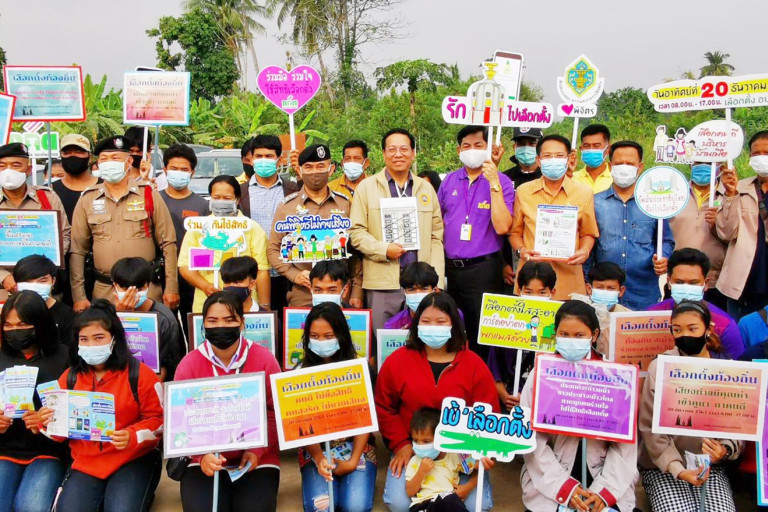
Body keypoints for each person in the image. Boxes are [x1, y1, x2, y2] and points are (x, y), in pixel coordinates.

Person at [375, 292, 496, 512]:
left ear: (454, 325)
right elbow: (384, 407)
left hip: (461, 453)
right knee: (400, 503)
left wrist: (484, 450)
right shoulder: (397, 361)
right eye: (426, 321)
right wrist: (401, 444)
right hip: (415, 448)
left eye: (441, 322)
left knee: (476, 506)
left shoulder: (474, 365)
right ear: (416, 324)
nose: (433, 327)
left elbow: (489, 414)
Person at [39, 300, 164, 512]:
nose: (91, 345)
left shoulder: (140, 375)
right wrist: (45, 422)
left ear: (114, 339)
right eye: (84, 339)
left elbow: (160, 421)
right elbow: (59, 434)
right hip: (86, 463)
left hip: (132, 460)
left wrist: (132, 436)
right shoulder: (69, 378)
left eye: (99, 338)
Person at [521, 300, 638, 512]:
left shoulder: (615, 377)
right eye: (564, 334)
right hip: (551, 476)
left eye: (579, 335)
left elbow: (625, 448)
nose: (571, 341)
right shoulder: (540, 375)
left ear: (594, 335)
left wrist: (603, 492)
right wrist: (565, 488)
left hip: (603, 474)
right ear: (555, 333)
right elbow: (531, 441)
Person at [174, 291, 281, 512]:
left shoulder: (264, 359)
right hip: (204, 459)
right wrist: (200, 455)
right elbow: (179, 420)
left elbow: (275, 412)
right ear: (203, 325)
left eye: (229, 320)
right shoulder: (188, 364)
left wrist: (257, 450)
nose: (221, 326)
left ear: (242, 323)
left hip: (256, 457)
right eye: (213, 321)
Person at [639, 300, 740, 512]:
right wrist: (677, 469)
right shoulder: (661, 367)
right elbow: (650, 428)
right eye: (677, 330)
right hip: (664, 468)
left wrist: (724, 449)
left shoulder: (727, 369)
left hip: (710, 467)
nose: (685, 335)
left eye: (692, 329)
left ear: (708, 329)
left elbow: (738, 422)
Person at [69, 135, 179, 313]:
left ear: (129, 162)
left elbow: (168, 243)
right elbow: (77, 250)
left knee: (148, 330)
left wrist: (172, 288)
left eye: (115, 158)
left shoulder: (148, 194)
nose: (109, 163)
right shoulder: (88, 199)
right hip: (105, 290)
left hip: (145, 289)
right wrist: (79, 296)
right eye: (104, 159)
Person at [350, 128, 445, 334]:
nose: (398, 154)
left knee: (422, 340)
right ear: (383, 153)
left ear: (413, 153)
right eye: (392, 149)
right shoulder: (366, 188)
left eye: (404, 149)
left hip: (422, 284)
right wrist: (383, 249)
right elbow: (356, 232)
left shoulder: (426, 189)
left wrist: (437, 279)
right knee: (384, 341)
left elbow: (436, 237)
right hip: (383, 284)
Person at [438, 126, 514, 357]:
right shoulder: (448, 181)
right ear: (459, 150)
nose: (472, 150)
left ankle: (483, 374)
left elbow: (503, 226)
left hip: (484, 270)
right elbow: (438, 223)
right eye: (467, 146)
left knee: (482, 334)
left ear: (489, 148)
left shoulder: (502, 182)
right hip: (451, 269)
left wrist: (493, 182)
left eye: (479, 145)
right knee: (451, 330)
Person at [298, 302, 377, 512]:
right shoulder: (299, 373)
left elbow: (366, 419)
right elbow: (299, 424)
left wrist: (352, 462)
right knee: (321, 507)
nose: (321, 341)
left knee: (355, 507)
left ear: (341, 335)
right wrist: (318, 457)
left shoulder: (360, 369)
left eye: (328, 336)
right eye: (314, 336)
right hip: (315, 450)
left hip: (357, 448)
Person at [267, 144, 362, 308]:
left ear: (331, 170)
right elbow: (273, 249)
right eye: (309, 167)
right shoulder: (287, 207)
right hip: (303, 291)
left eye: (320, 166)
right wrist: (293, 274)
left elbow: (356, 251)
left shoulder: (345, 204)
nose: (315, 172)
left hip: (339, 290)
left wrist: (357, 290)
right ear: (299, 171)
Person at [0, 291, 69, 512]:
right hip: (5, 449)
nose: (14, 331)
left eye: (22, 324)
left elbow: (78, 408)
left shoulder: (66, 357)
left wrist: (47, 421)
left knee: (31, 506)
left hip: (49, 451)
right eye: (8, 325)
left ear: (39, 322)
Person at [510, 134, 598, 300]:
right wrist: (522, 250)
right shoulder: (523, 191)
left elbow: (588, 232)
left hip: (569, 280)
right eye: (547, 156)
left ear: (569, 159)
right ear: (538, 160)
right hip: (531, 281)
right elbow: (515, 232)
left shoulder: (584, 193)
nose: (553, 160)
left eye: (559, 156)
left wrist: (585, 251)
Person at [587, 140, 673, 310]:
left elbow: (666, 240)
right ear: (610, 166)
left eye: (630, 164)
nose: (624, 168)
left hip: (644, 292)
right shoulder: (595, 203)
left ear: (640, 167)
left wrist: (664, 257)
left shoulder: (654, 204)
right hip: (605, 293)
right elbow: (588, 247)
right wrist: (585, 281)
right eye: (619, 163)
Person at [179, 175, 271, 312]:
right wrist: (205, 286)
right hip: (206, 304)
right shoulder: (198, 228)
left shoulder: (252, 228)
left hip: (245, 305)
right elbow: (185, 266)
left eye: (227, 198)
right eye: (216, 198)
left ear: (237, 199)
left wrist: (265, 307)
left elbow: (262, 270)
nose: (221, 202)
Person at [0, 142, 71, 302]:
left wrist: (43, 268)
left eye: (16, 165)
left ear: (29, 169)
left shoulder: (47, 197)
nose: (8, 171)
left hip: (42, 286)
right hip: (3, 290)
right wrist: (3, 277)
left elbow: (64, 235)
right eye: (2, 166)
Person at [238, 135, 300, 318]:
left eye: (269, 156)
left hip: (287, 272)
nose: (263, 160)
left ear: (279, 160)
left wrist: (300, 173)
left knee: (286, 323)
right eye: (259, 156)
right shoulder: (240, 193)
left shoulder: (293, 189)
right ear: (251, 160)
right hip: (253, 274)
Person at [647, 248, 744, 359]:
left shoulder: (725, 325)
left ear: (706, 284)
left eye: (693, 283)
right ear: (669, 282)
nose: (686, 287)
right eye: (679, 282)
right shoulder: (649, 317)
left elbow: (738, 366)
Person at [488, 261, 556, 411]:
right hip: (509, 404)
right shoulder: (504, 324)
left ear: (553, 292)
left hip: (544, 405)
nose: (535, 298)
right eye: (529, 292)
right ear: (519, 291)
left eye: (542, 293)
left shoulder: (557, 328)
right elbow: (493, 372)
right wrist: (505, 397)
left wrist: (529, 399)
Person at [158, 143, 209, 340]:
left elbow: (205, 245)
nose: (178, 173)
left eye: (184, 169)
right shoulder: (155, 200)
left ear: (192, 172)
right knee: (167, 330)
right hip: (162, 274)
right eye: (174, 168)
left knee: (194, 327)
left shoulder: (202, 205)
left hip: (191, 276)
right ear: (165, 170)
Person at [716, 130, 768, 318]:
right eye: (756, 153)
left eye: (766, 153)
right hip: (745, 283)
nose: (761, 158)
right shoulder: (739, 188)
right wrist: (731, 195)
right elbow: (726, 233)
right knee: (741, 333)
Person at [111, 257, 182, 380]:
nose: (131, 294)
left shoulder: (164, 318)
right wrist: (122, 316)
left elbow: (166, 364)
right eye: (125, 289)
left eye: (138, 289)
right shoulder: (107, 315)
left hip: (151, 380)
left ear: (148, 285)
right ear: (115, 286)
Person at [669, 161, 727, 310]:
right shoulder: (674, 192)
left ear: (720, 166)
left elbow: (735, 235)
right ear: (690, 164)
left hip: (715, 282)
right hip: (678, 281)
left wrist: (719, 223)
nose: (702, 166)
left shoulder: (730, 195)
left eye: (708, 163)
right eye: (698, 162)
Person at [405, 408, 478, 512]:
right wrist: (421, 472)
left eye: (426, 441)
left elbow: (477, 468)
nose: (420, 445)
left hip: (447, 503)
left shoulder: (453, 455)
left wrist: (468, 487)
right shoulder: (415, 461)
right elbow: (410, 492)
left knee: (450, 498)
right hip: (422, 505)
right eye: (416, 440)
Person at [501, 127, 543, 292]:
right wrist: (502, 263)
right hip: (509, 259)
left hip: (543, 253)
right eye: (521, 144)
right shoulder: (504, 178)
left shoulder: (549, 178)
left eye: (532, 143)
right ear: (514, 147)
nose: (526, 148)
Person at [13, 254, 76, 346]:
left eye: (42, 281)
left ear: (53, 281)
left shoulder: (67, 315)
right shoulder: (10, 312)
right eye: (27, 282)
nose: (34, 286)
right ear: (17, 284)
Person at [52, 133, 99, 223]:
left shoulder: (105, 187)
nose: (72, 155)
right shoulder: (50, 191)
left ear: (90, 157)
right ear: (61, 156)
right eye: (67, 153)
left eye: (78, 152)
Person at [384, 262, 440, 330]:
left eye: (424, 289)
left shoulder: (449, 318)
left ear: (435, 290)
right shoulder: (393, 326)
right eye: (411, 290)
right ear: (404, 292)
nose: (417, 294)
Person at [572, 124, 613, 194]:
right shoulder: (573, 178)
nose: (591, 149)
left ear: (608, 149)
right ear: (581, 149)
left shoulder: (616, 179)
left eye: (596, 146)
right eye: (587, 146)